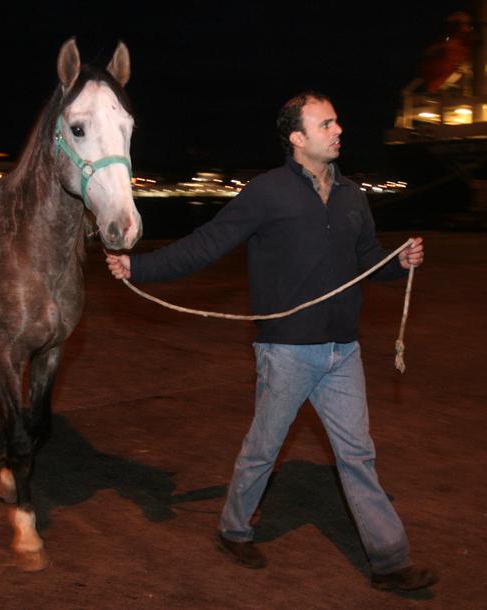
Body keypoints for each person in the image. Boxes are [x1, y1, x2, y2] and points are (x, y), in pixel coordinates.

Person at [106, 91, 436, 591]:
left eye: (337, 121)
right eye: (326, 124)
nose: (338, 129)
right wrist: (139, 266)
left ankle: (390, 561)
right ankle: (233, 530)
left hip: (343, 350)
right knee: (264, 449)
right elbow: (207, 244)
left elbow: (367, 257)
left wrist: (399, 262)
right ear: (297, 138)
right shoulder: (266, 193)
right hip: (286, 351)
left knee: (358, 455)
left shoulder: (352, 195)